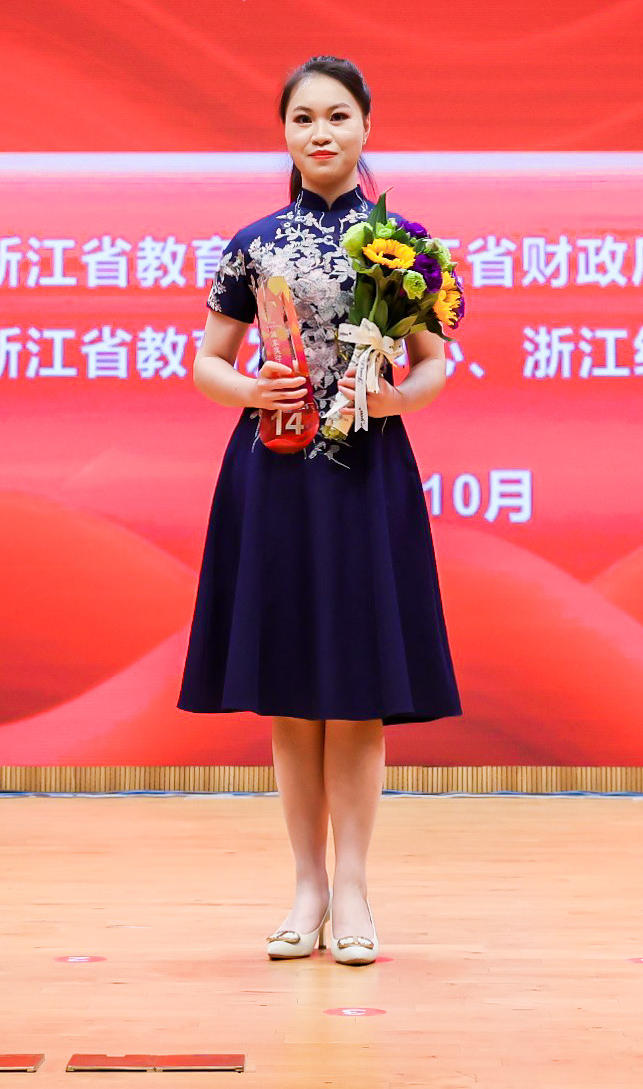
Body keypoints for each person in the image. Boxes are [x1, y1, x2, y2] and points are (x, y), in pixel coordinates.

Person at [179, 54, 461, 966]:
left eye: (338, 116)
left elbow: (434, 364)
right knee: (294, 695)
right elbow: (208, 361)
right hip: (276, 474)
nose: (321, 133)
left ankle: (354, 892)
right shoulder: (254, 243)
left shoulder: (405, 245)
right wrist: (251, 391)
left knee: (358, 692)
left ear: (367, 127)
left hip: (365, 477)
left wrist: (393, 400)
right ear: (285, 133)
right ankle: (306, 888)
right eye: (303, 119)